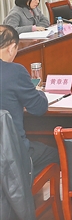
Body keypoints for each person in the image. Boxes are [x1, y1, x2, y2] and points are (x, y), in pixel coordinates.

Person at [0, 25, 59, 177]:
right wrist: (39, 92)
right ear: (11, 48)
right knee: (58, 154)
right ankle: (24, 186)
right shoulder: (15, 71)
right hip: (11, 153)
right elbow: (38, 108)